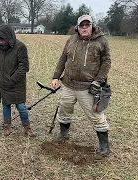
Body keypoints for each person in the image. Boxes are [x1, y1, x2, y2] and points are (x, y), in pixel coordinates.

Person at [51, 14, 111, 156]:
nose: (84, 28)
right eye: (82, 25)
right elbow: (63, 58)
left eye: (87, 25)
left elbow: (106, 62)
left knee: (96, 115)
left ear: (92, 26)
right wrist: (56, 76)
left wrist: (98, 81)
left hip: (88, 86)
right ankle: (64, 134)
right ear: (78, 27)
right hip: (68, 83)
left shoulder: (101, 41)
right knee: (64, 109)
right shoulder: (71, 39)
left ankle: (104, 145)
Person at [0, 24, 36, 137]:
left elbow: (24, 67)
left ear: (8, 37)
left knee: (21, 107)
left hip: (16, 84)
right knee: (6, 105)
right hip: (3, 82)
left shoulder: (20, 47)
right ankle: (7, 127)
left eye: (2, 39)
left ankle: (27, 128)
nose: (0, 42)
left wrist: (11, 80)